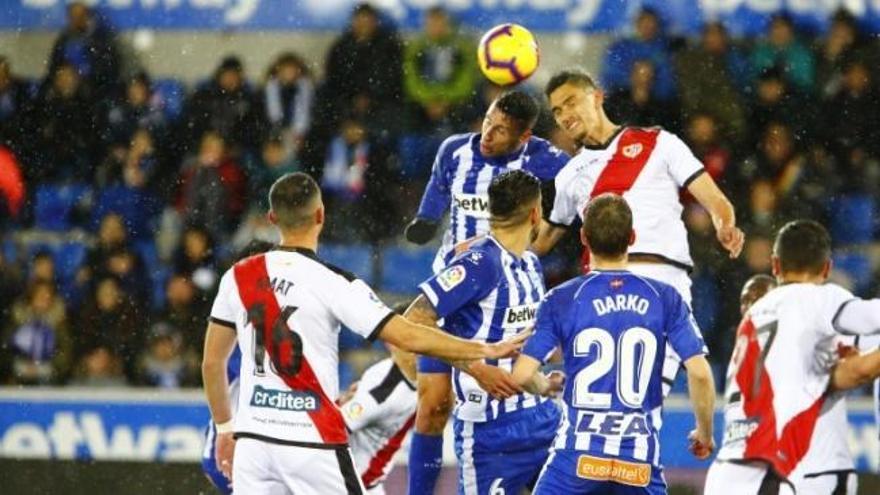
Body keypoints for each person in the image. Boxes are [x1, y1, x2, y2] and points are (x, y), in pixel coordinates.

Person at [201, 172, 524, 494]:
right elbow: (408, 336)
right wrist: (483, 349)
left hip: (254, 443)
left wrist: (226, 428)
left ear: (272, 218)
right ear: (320, 215)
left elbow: (212, 362)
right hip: (311, 440)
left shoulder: (237, 276)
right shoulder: (334, 282)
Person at [534, 69, 743, 398]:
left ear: (597, 97)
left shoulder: (659, 143)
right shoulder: (569, 176)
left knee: (641, 402)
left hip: (664, 284)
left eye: (571, 102)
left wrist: (725, 222)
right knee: (603, 407)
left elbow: (714, 199)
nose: (564, 116)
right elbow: (540, 243)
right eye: (557, 111)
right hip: (601, 288)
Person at [404, 90, 568, 493]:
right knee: (433, 406)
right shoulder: (455, 151)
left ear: (524, 137)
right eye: (487, 122)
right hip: (455, 293)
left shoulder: (540, 159)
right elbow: (437, 191)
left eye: (501, 130)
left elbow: (583, 178)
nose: (488, 135)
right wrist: (426, 220)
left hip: (506, 279)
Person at [511, 193, 715, 494]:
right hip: (637, 459)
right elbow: (700, 373)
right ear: (632, 238)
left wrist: (545, 386)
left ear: (583, 237)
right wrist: (704, 434)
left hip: (575, 459)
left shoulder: (562, 298)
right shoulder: (665, 297)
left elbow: (521, 375)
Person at [705, 220, 880, 494]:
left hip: (726, 468)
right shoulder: (819, 299)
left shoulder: (753, 313)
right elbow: (872, 323)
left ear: (775, 266)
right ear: (827, 268)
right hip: (770, 466)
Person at [339, 332, 417, 494]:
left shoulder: (391, 370)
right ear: (391, 343)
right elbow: (336, 426)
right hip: (354, 487)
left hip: (367, 482)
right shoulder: (383, 394)